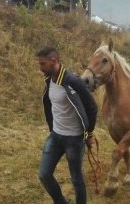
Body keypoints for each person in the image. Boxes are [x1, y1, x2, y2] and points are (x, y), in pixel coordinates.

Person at [36, 46, 97, 204]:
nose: (40, 67)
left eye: (42, 64)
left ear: (54, 61)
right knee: (44, 174)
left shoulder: (72, 81)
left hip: (74, 139)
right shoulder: (49, 80)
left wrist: (89, 134)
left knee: (76, 179)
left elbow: (92, 107)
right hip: (56, 136)